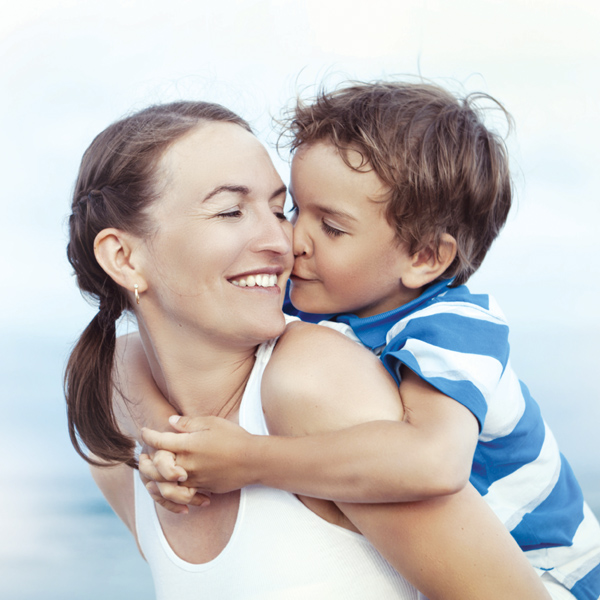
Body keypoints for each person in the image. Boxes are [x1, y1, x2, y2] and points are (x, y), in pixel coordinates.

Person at [63, 100, 550, 600]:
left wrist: (251, 459)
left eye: (277, 210)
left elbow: (435, 463)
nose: (283, 239)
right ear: (122, 258)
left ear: (427, 257)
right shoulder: (115, 398)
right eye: (233, 211)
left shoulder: (313, 376)